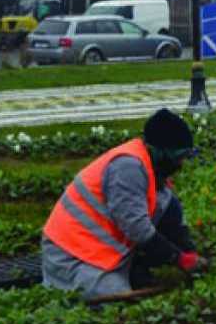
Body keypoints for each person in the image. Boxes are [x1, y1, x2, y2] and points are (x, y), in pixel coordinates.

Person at [41, 109, 207, 300]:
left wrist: (189, 250)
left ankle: (132, 269)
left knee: (164, 202)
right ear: (161, 152)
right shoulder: (127, 168)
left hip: (99, 250)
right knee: (115, 298)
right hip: (72, 254)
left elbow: (169, 212)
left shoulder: (151, 167)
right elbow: (137, 228)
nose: (181, 164)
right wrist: (179, 259)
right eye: (179, 157)